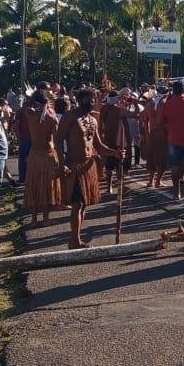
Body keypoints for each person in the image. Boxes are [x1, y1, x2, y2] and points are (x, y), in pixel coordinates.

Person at [59, 89, 120, 249]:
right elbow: (58, 140)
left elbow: (99, 146)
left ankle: (76, 238)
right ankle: (74, 240)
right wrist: (61, 163)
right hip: (74, 165)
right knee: (77, 203)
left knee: (84, 204)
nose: (91, 102)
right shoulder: (69, 116)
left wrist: (115, 153)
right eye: (88, 100)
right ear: (80, 100)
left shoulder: (93, 120)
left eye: (93, 99)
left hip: (89, 165)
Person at [21, 91, 62, 228]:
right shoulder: (52, 119)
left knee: (34, 186)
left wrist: (32, 102)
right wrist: (61, 160)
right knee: (46, 187)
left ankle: (33, 220)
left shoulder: (30, 115)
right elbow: (57, 142)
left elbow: (25, 105)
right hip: (48, 154)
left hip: (34, 155)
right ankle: (45, 218)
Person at [143, 90, 168, 189]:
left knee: (152, 157)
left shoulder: (149, 104)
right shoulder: (165, 103)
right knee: (162, 158)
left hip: (152, 132)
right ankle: (158, 181)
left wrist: (147, 135)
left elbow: (145, 122)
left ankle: (151, 180)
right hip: (161, 132)